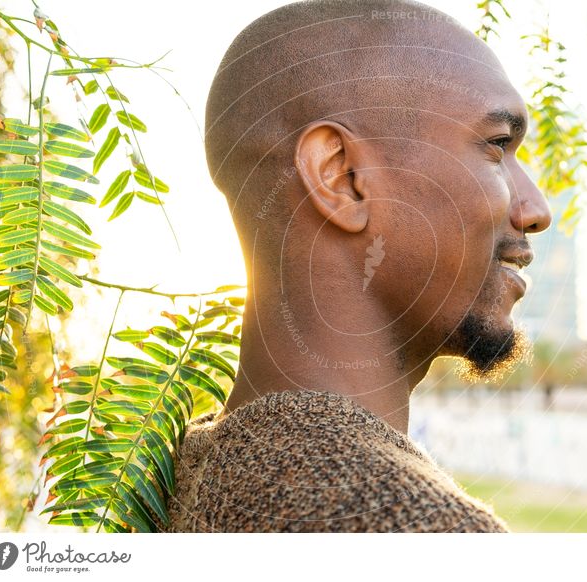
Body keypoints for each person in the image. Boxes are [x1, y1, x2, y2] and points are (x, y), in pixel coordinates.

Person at [161, 0, 551, 532]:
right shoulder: (417, 533)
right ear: (340, 177)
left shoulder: (182, 472)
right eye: (497, 145)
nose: (536, 210)